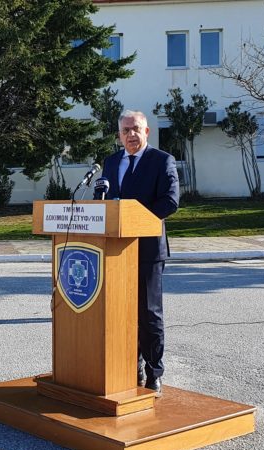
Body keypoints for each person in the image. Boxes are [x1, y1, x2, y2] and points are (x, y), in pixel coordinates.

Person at [101, 110, 179, 397]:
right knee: (121, 313)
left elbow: (170, 201)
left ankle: (153, 372)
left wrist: (135, 221)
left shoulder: (162, 160)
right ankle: (128, 367)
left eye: (135, 129)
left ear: (146, 132)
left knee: (148, 314)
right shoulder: (111, 162)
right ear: (119, 134)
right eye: (125, 130)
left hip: (147, 248)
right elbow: (105, 201)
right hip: (115, 251)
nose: (130, 135)